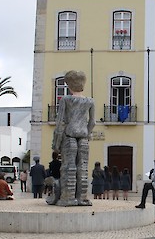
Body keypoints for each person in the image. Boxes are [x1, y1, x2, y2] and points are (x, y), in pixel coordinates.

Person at [51, 70, 95, 206]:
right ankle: (82, 198)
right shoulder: (89, 101)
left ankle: (68, 197)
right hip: (83, 136)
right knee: (83, 168)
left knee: (69, 167)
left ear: (69, 85)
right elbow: (92, 122)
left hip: (69, 135)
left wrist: (56, 144)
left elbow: (60, 123)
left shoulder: (66, 100)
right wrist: (87, 134)